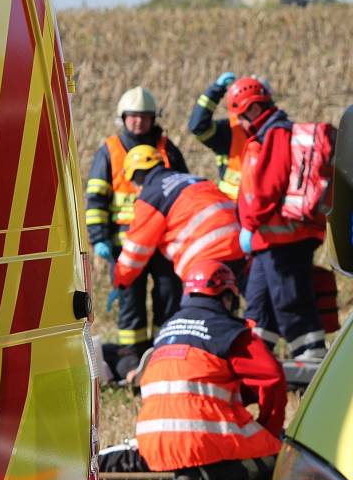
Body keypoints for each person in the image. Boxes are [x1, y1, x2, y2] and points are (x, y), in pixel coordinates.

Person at [100, 261, 288, 480]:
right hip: (202, 445)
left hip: (153, 444)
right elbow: (272, 378)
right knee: (281, 453)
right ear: (227, 297)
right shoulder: (230, 332)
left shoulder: (167, 331)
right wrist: (269, 429)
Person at [85, 86, 189, 377]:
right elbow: (95, 198)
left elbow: (182, 192)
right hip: (124, 245)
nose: (139, 123)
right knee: (130, 301)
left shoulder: (167, 149)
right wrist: (100, 239)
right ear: (123, 117)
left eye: (144, 117)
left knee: (168, 294)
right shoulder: (110, 150)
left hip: (164, 243)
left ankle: (166, 346)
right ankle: (132, 357)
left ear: (153, 117)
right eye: (133, 117)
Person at [228, 76, 326, 360]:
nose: (240, 123)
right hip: (265, 240)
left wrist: (249, 223)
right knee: (259, 305)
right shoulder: (263, 135)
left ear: (252, 109)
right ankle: (256, 359)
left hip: (284, 239)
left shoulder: (276, 134)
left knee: (290, 301)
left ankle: (311, 355)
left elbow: (268, 188)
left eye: (240, 116)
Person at [112, 145, 245, 288]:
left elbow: (136, 249)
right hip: (240, 250)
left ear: (136, 176)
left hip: (206, 259)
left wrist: (121, 281)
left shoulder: (151, 197)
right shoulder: (195, 179)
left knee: (199, 309)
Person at [188, 73, 272, 201]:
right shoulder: (229, 131)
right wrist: (215, 91)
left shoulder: (277, 133)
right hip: (230, 209)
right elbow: (198, 127)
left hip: (264, 210)